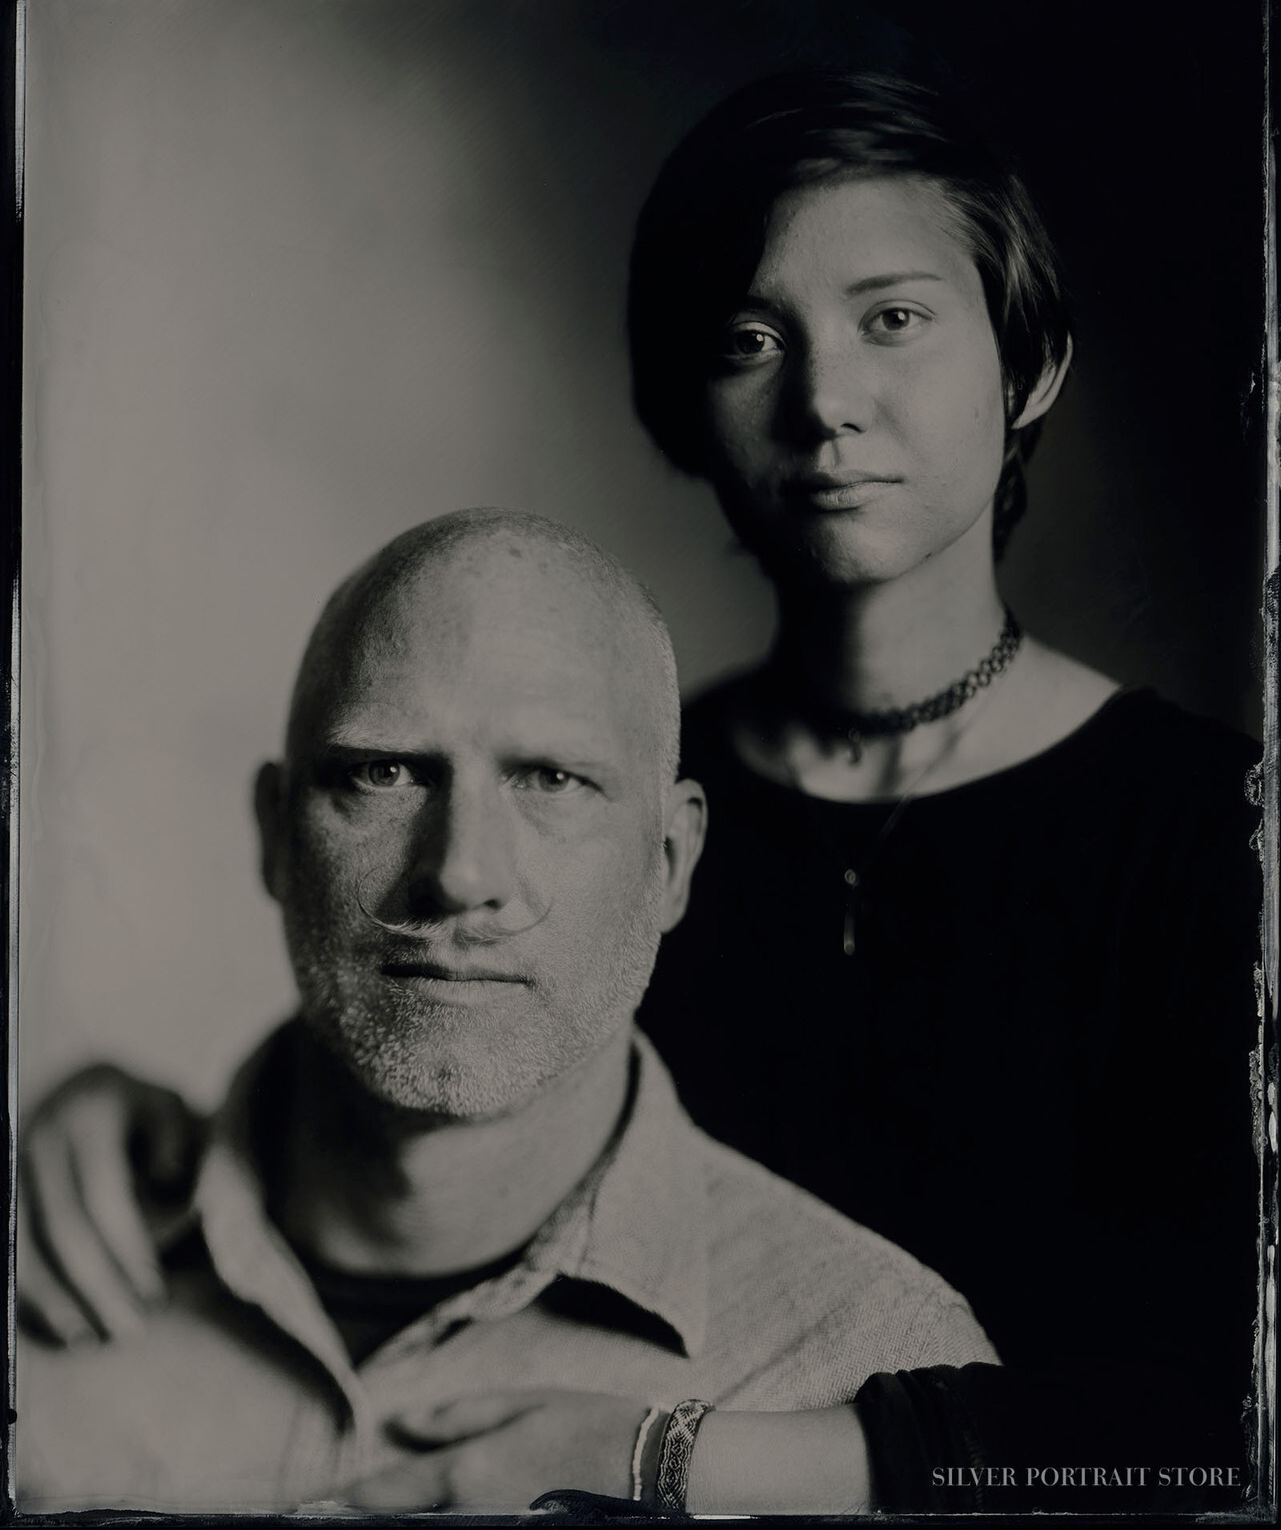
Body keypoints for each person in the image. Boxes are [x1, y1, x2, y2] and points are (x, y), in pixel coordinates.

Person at [20, 73, 1265, 1512]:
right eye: (750, 339)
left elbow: (1226, 1426)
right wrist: (117, 1116)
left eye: (894, 320)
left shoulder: (1213, 834)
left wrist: (663, 1456)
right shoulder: (591, 801)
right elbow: (415, 1072)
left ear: (1030, 366)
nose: (823, 402)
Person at [15, 509, 999, 1515]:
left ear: (670, 864)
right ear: (275, 834)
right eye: (384, 772)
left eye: (552, 780)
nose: (460, 872)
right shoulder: (35, 1277)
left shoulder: (871, 1369)